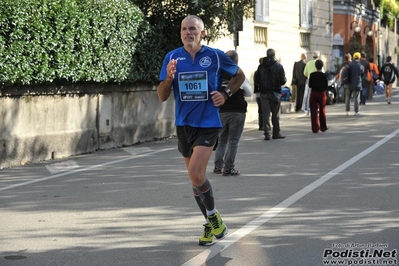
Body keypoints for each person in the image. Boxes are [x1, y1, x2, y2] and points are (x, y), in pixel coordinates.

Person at [157, 15, 245, 246]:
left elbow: (240, 76)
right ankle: (209, 224)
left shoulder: (215, 56)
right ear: (181, 33)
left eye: (193, 29)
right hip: (183, 124)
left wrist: (225, 93)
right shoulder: (172, 57)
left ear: (202, 33)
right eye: (184, 29)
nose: (188, 33)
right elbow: (162, 96)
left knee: (196, 173)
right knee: (196, 179)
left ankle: (214, 216)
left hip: (208, 123)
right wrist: (168, 78)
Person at [213, 50, 252, 176]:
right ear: (236, 61)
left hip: (221, 111)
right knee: (233, 141)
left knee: (221, 139)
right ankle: (229, 168)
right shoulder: (238, 74)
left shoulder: (217, 74)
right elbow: (249, 92)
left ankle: (218, 166)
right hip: (237, 111)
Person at [254, 48, 287, 140]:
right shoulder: (279, 66)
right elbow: (283, 80)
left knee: (266, 114)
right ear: (274, 55)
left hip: (264, 93)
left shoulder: (260, 66)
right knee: (275, 114)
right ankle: (276, 133)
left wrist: (261, 85)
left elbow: (256, 80)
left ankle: (267, 133)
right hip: (275, 93)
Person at [308, 60, 328, 133]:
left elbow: (310, 85)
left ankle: (315, 128)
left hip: (314, 93)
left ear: (315, 66)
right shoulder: (324, 75)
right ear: (322, 66)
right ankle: (323, 127)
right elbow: (326, 86)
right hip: (321, 93)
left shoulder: (312, 75)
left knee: (313, 111)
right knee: (322, 110)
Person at [303, 50, 323, 114]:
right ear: (318, 56)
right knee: (317, 94)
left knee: (308, 95)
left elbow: (305, 73)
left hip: (309, 80)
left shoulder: (308, 63)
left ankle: (307, 108)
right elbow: (322, 72)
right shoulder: (319, 63)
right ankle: (317, 108)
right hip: (318, 80)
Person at [254, 58, 264, 131]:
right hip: (262, 92)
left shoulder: (256, 71)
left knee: (260, 109)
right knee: (263, 109)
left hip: (258, 92)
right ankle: (262, 124)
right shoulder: (263, 71)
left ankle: (261, 125)